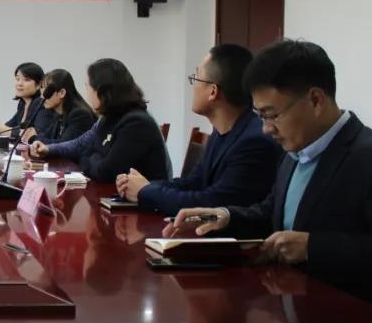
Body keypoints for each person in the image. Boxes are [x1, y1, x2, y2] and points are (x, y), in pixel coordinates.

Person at [164, 39, 372, 319]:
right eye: (260, 116)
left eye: (272, 115)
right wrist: (225, 216)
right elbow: (272, 213)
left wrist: (313, 247)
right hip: (294, 312)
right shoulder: (295, 150)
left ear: (315, 100)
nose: (265, 129)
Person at [116, 44, 281, 214]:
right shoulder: (222, 131)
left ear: (213, 91)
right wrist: (141, 185)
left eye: (196, 78)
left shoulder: (254, 141)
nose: (193, 85)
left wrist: (146, 192)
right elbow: (193, 182)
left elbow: (211, 202)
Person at [29, 58, 170, 182]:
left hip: (141, 201)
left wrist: (85, 158)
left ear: (103, 91)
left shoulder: (136, 123)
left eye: (88, 87)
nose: (87, 93)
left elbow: (106, 172)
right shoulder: (109, 116)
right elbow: (81, 144)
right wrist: (48, 149)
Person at [23, 68, 96, 145]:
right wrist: (33, 137)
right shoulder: (59, 113)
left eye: (47, 90)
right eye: (42, 88)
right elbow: (47, 136)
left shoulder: (79, 115)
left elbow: (64, 145)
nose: (42, 96)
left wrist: (33, 139)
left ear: (62, 93)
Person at [0, 62, 44, 135]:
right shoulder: (22, 104)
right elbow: (9, 125)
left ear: (38, 85)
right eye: (17, 79)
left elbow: (37, 134)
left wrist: (6, 131)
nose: (19, 83)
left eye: (26, 79)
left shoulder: (41, 104)